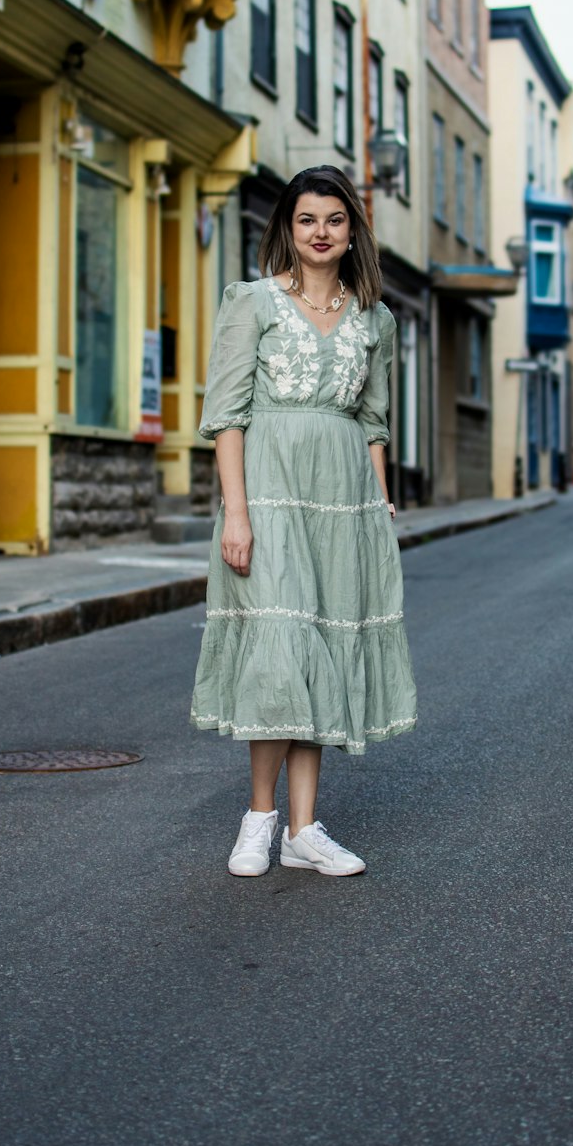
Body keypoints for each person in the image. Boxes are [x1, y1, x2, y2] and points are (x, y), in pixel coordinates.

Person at [190, 166, 417, 879]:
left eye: (335, 220)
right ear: (288, 229)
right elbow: (226, 415)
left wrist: (379, 506)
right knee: (282, 649)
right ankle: (259, 820)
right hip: (270, 492)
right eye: (307, 220)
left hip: (343, 500)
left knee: (321, 651)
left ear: (353, 231)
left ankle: (304, 829)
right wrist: (237, 512)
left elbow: (373, 421)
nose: (321, 233)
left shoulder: (375, 318)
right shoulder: (251, 303)